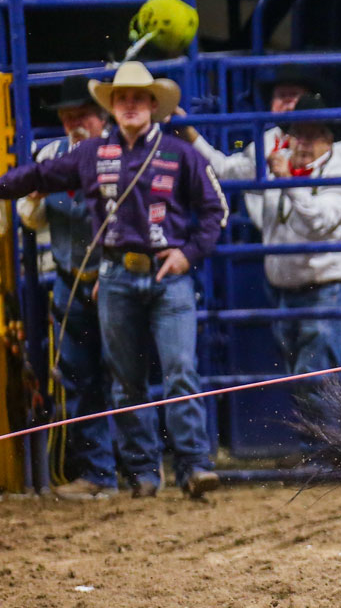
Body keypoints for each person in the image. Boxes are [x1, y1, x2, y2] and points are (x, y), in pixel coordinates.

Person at [0, 62, 228, 499]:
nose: (129, 105)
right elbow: (41, 176)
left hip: (165, 276)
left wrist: (188, 253)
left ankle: (193, 466)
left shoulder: (181, 153)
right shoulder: (92, 154)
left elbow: (215, 211)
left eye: (137, 98)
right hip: (116, 274)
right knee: (126, 380)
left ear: (151, 106)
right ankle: (144, 472)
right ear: (113, 107)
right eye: (121, 98)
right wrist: (4, 186)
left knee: (179, 370)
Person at [187, 93, 341, 400]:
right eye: (297, 133)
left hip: (327, 289)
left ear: (329, 139)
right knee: (304, 380)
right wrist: (190, 134)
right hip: (283, 288)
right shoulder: (276, 157)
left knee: (314, 379)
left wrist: (286, 180)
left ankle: (323, 447)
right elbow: (224, 170)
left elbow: (318, 223)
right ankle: (319, 446)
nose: (302, 142)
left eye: (313, 135)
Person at [17, 77, 117, 499]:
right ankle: (99, 472)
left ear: (100, 118)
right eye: (68, 116)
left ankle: (143, 470)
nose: (75, 123)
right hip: (69, 279)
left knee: (125, 376)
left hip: (114, 279)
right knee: (77, 376)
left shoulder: (119, 155)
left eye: (83, 116)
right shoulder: (49, 157)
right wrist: (37, 198)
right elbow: (31, 217)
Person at [179, 66, 323, 228]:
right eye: (281, 96)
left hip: (321, 241)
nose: (287, 103)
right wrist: (188, 132)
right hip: (275, 242)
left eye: (294, 96)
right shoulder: (266, 143)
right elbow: (225, 170)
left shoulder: (331, 144)